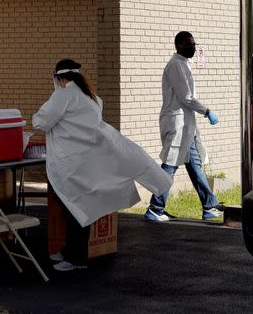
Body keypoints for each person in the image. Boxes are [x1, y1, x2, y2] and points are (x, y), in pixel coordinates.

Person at [33, 59, 172, 272]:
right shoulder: (92, 98)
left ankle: (75, 258)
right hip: (84, 162)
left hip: (68, 164)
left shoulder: (63, 94)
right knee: (79, 208)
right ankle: (70, 251)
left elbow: (41, 122)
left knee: (74, 210)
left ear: (60, 78)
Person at [144, 31, 223, 222]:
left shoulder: (183, 64)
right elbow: (186, 97)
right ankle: (155, 208)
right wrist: (206, 111)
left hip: (186, 127)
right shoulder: (175, 65)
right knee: (169, 166)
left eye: (194, 44)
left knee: (195, 166)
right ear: (179, 45)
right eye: (189, 44)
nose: (193, 47)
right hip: (177, 125)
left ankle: (209, 206)